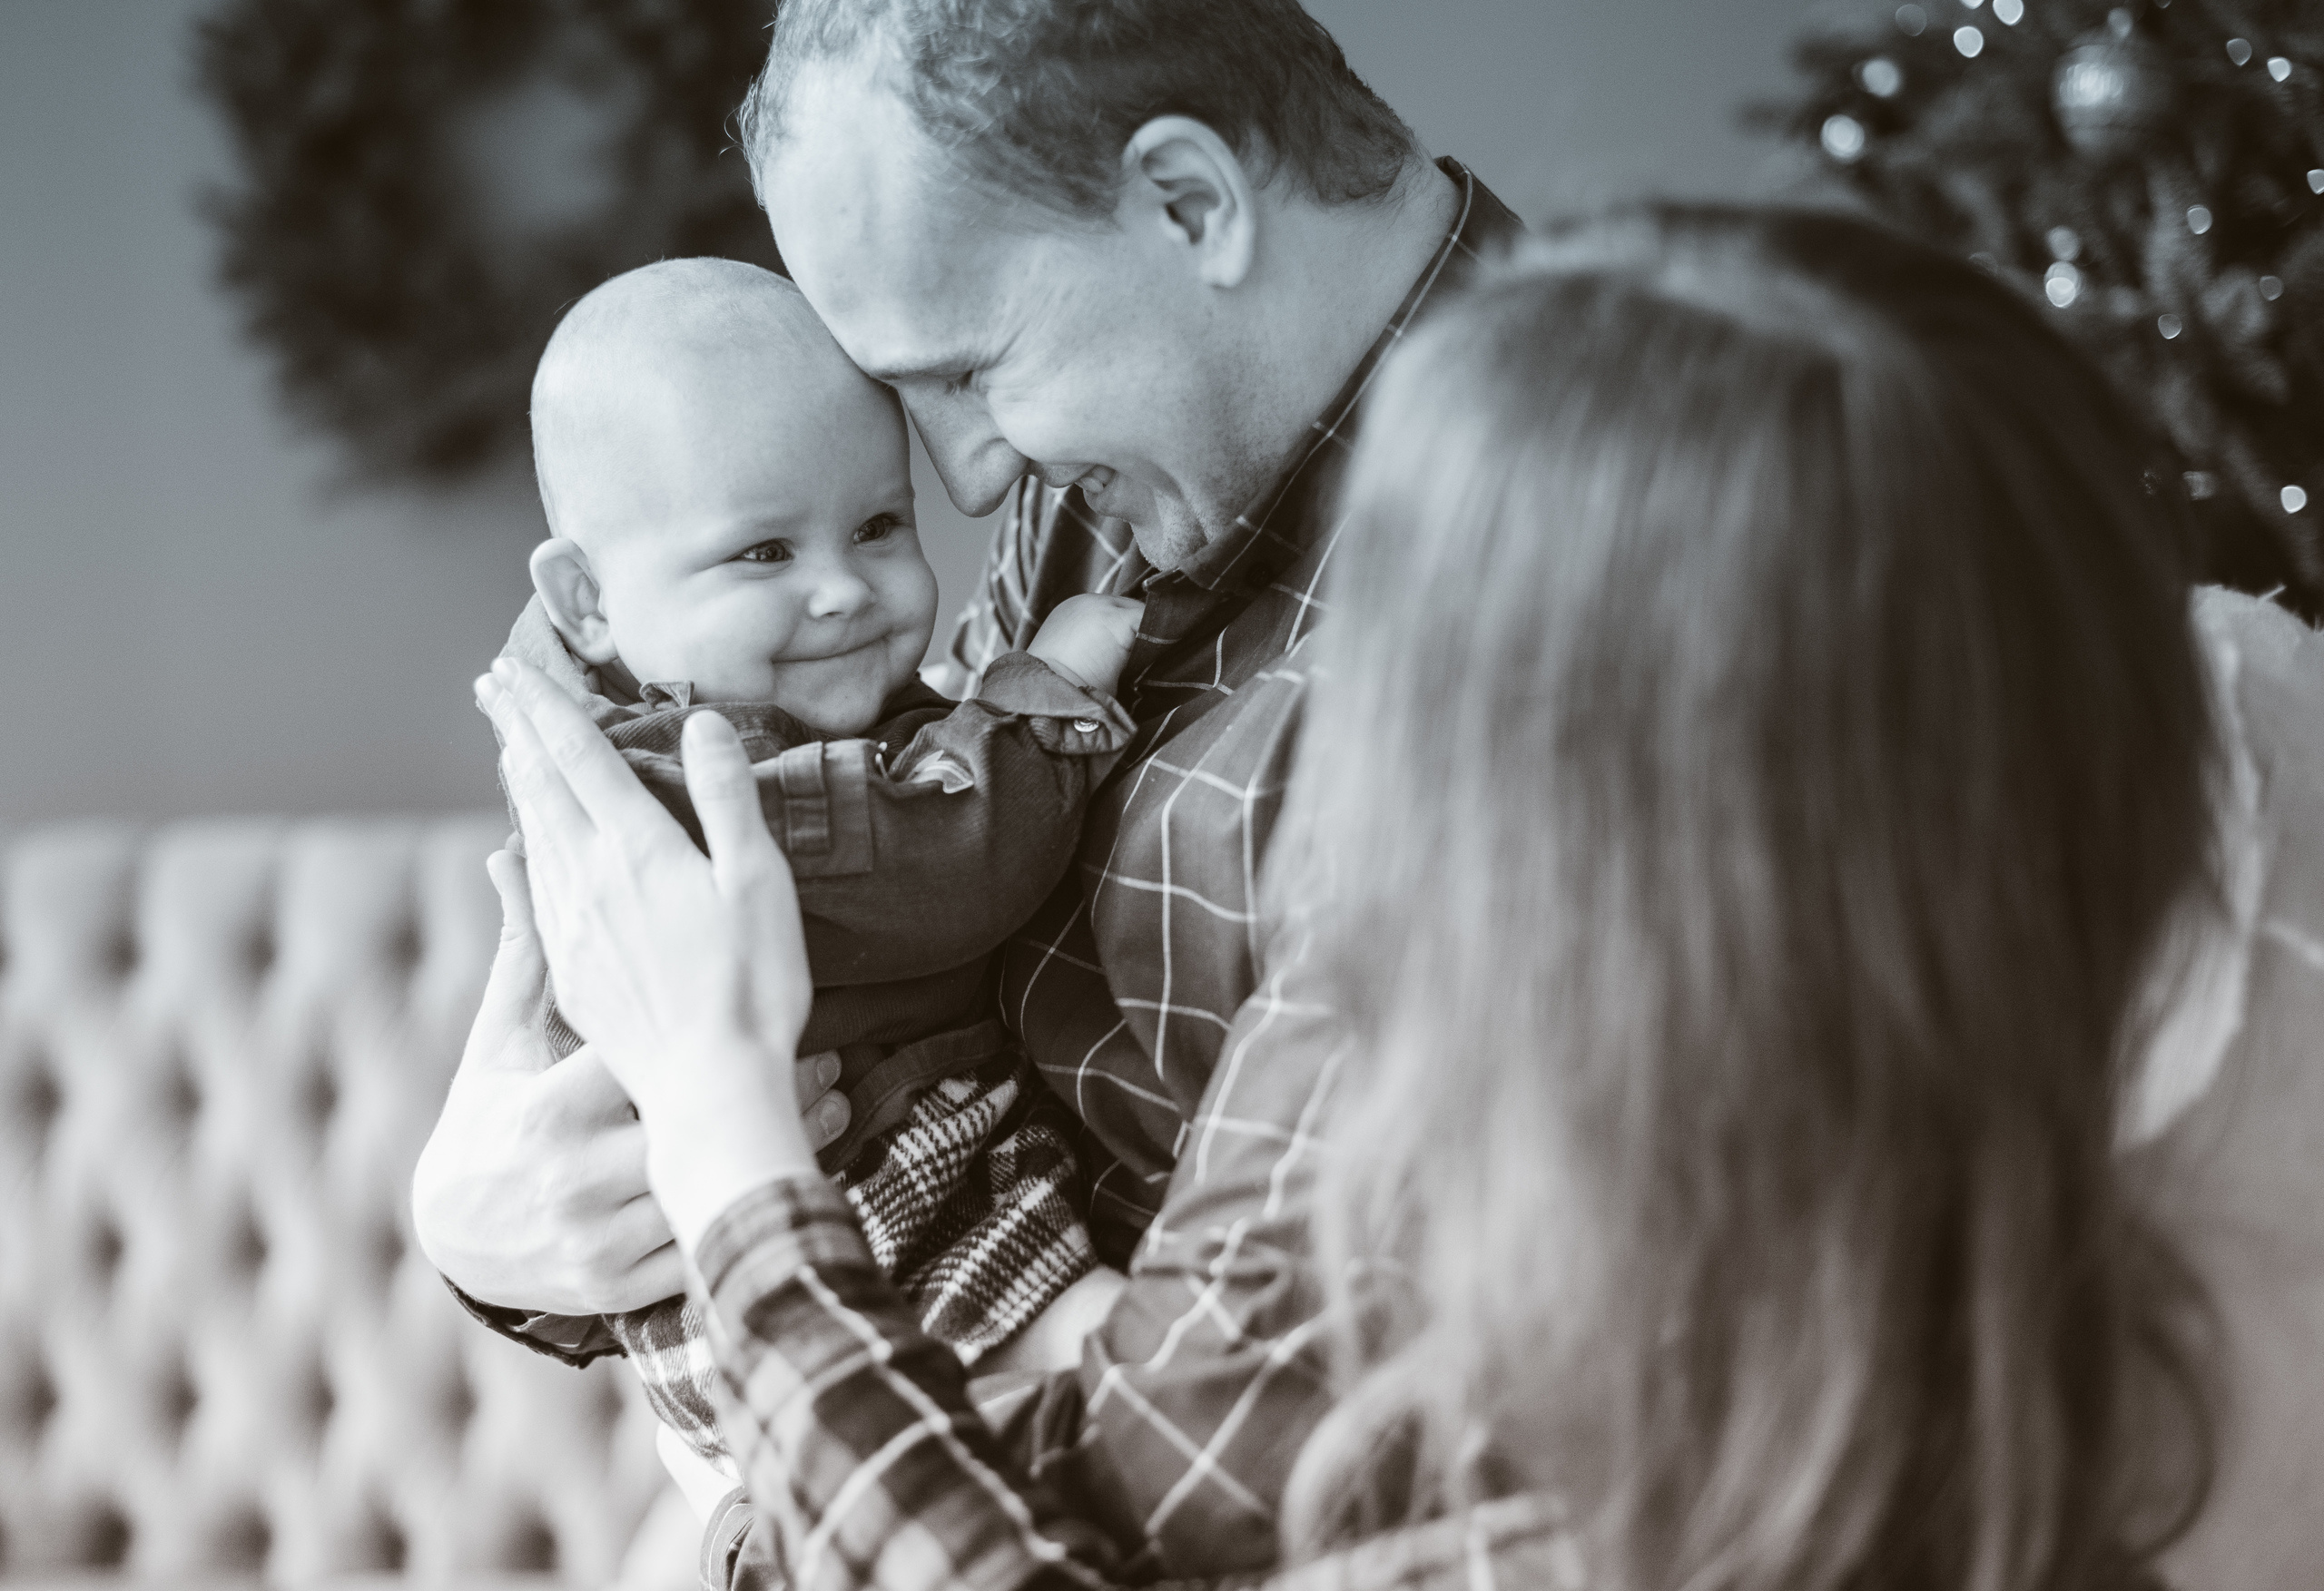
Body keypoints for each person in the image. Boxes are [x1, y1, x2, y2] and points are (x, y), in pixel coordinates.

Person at [478, 207, 2324, 1589]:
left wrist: (733, 1165)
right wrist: (492, 1222)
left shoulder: (1606, 1453)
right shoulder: (2019, 1274)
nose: (961, 483)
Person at [413, 0, 1522, 1576]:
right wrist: (484, 1220)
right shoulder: (1113, 481)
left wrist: (737, 1434)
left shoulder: (1528, 624)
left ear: (1189, 204)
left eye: (964, 369)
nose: (964, 479)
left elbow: (1146, 1514)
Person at [471, 255, 1150, 1470]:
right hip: (863, 1227)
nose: (844, 589)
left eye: (881, 525)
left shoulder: (783, 710)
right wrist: (1038, 705)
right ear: (586, 601)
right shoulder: (678, 781)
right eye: (763, 554)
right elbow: (942, 859)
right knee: (1148, 1381)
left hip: (862, 1213)